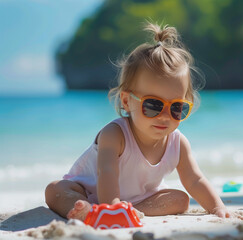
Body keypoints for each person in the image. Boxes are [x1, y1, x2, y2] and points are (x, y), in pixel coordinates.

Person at [45, 22, 230, 220]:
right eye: (153, 105)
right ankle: (89, 212)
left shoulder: (178, 143)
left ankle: (132, 211)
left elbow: (195, 180)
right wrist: (111, 206)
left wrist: (217, 207)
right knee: (55, 190)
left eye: (177, 107)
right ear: (126, 101)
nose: (165, 116)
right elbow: (106, 172)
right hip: (88, 192)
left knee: (181, 199)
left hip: (138, 200)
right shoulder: (115, 135)